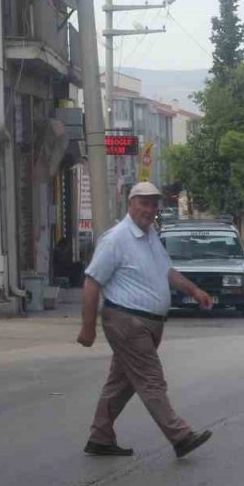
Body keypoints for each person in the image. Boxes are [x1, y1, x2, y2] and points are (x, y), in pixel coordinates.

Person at [76, 182, 214, 459]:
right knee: (152, 381)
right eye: (144, 203)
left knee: (122, 383)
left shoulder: (151, 235)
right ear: (131, 203)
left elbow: (167, 272)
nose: (149, 210)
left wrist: (194, 291)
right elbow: (92, 283)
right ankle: (180, 436)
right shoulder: (115, 239)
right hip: (126, 321)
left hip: (149, 324)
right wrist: (88, 328)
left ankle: (100, 436)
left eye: (154, 204)